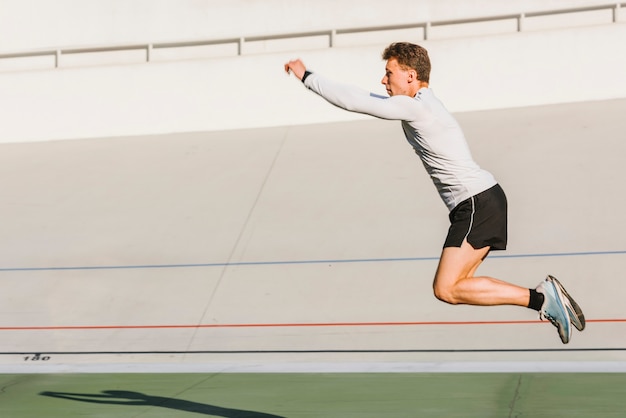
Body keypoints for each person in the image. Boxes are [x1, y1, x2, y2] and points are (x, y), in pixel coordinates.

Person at [284, 42, 585, 344]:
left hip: (476, 203)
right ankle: (542, 299)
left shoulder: (416, 106)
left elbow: (357, 100)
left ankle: (544, 299)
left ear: (411, 76)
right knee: (453, 286)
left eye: (389, 73)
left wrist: (307, 76)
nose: (383, 80)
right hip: (483, 200)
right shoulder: (421, 102)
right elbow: (370, 97)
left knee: (446, 288)